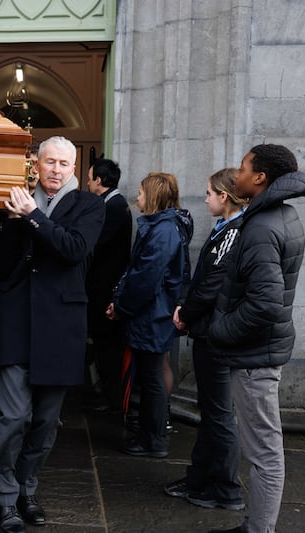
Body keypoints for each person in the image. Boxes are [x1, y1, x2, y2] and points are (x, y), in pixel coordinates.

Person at [0, 136, 105, 533]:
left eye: (64, 164)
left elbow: (73, 250)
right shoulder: (13, 198)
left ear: (74, 168)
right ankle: (5, 498)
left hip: (61, 325)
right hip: (15, 320)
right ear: (36, 163)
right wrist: (9, 222)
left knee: (46, 421)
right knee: (13, 416)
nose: (56, 170)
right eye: (49, 162)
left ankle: (27, 487)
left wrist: (33, 217)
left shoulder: (89, 205)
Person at [207, 145, 305, 533]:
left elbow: (265, 304)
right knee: (261, 450)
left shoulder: (265, 226)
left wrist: (220, 330)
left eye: (244, 167)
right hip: (258, 352)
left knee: (264, 454)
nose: (237, 174)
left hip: (254, 357)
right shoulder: (276, 215)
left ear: (261, 178)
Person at [164, 168, 246, 511]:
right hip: (209, 329)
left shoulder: (233, 232)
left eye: (210, 193)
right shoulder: (224, 229)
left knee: (219, 414)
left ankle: (226, 489)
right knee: (211, 412)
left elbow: (211, 284)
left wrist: (186, 313)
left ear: (224, 197)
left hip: (216, 332)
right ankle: (199, 477)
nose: (207, 198)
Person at [107, 172, 192, 459]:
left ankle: (153, 439)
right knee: (150, 376)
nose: (137, 197)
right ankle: (149, 435)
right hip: (151, 314)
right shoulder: (161, 228)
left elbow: (146, 277)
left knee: (152, 378)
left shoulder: (163, 231)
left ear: (153, 196)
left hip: (152, 315)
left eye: (141, 192)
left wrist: (122, 307)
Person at [85, 157, 132, 411]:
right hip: (102, 287)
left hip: (105, 289)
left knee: (106, 346)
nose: (87, 182)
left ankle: (109, 398)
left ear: (99, 181)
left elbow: (98, 245)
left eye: (90, 177)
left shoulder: (114, 206)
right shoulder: (110, 203)